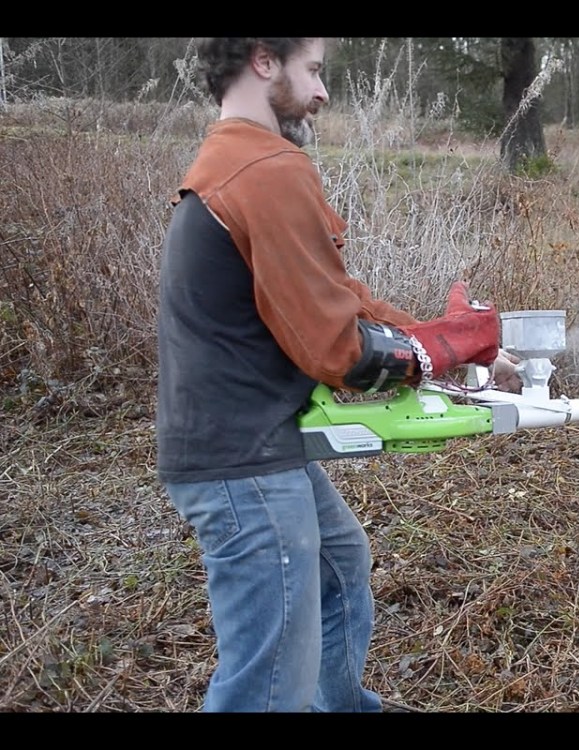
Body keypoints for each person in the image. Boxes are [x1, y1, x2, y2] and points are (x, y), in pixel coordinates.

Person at [156, 37, 522, 712]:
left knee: (338, 562)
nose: (323, 92)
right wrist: (435, 354)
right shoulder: (266, 168)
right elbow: (339, 350)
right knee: (265, 687)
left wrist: (454, 344)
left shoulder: (233, 162)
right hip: (245, 464)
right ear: (264, 60)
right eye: (314, 71)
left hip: (251, 447)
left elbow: (336, 298)